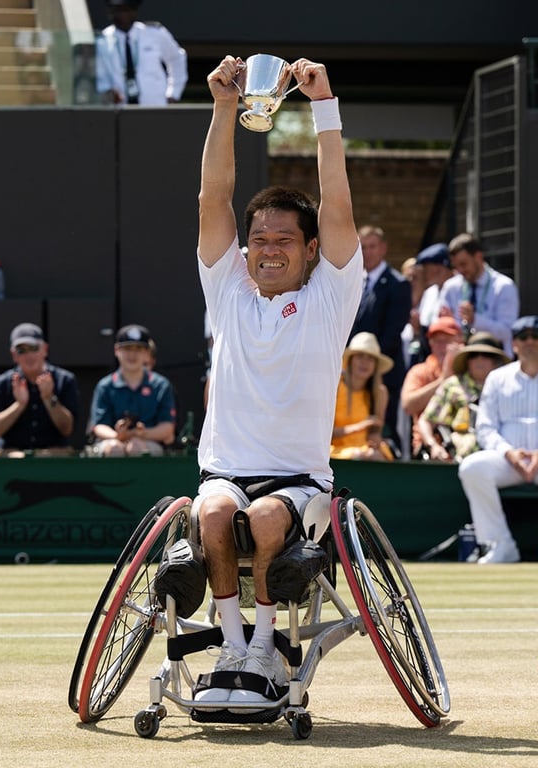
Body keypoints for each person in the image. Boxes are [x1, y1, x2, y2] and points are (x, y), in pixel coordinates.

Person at [193, 56, 361, 710]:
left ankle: (264, 650)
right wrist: (224, 106)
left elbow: (338, 202)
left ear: (311, 249)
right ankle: (231, 643)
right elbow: (213, 197)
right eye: (258, 238)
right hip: (225, 469)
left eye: (284, 240)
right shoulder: (228, 288)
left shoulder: (330, 297)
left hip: (300, 482)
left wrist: (324, 107)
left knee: (264, 519)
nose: (267, 248)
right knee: (211, 512)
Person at [457, 316, 538, 564]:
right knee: (472, 468)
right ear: (514, 344)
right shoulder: (497, 378)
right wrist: (509, 453)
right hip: (508, 461)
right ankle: (500, 544)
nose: (530, 342)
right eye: (523, 337)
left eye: (536, 336)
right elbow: (485, 427)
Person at [349, 225, 409, 442]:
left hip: (384, 373)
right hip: (353, 374)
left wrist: (369, 363)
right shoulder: (354, 282)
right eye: (362, 247)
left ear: (383, 248)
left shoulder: (398, 284)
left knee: (383, 432)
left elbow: (393, 332)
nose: (367, 252)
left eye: (372, 246)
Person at [0, 323, 78, 455]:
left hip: (52, 455)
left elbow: (67, 429)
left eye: (33, 348)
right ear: (14, 355)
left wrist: (49, 398)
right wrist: (19, 405)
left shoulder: (65, 380)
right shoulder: (1, 383)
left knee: (53, 455)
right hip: (12, 455)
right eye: (22, 350)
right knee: (14, 457)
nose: (29, 355)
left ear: (45, 349)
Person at [415, 331, 509, 462]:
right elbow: (426, 420)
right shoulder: (452, 385)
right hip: (458, 458)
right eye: (474, 355)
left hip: (499, 456)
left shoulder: (507, 387)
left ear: (495, 361)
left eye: (486, 355)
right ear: (467, 360)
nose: (479, 359)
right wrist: (433, 446)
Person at [88, 324, 176, 456]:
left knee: (136, 448)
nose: (132, 355)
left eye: (138, 349)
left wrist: (140, 434)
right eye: (127, 348)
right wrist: (118, 435)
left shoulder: (160, 385)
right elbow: (98, 426)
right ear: (116, 351)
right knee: (114, 449)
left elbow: (167, 428)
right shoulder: (105, 385)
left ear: (147, 354)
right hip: (111, 441)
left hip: (148, 442)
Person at [438, 232, 519, 352]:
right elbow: (442, 328)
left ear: (478, 256)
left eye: (463, 264)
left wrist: (475, 320)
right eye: (456, 266)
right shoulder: (451, 287)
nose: (460, 270)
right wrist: (450, 323)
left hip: (495, 359)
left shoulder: (503, 286)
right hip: (461, 359)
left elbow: (507, 333)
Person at [95, 0, 186, 106]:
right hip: (120, 112)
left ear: (135, 11)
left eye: (127, 10)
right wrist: (107, 92)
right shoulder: (101, 41)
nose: (123, 15)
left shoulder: (155, 33)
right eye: (118, 10)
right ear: (110, 12)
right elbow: (99, 77)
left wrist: (173, 93)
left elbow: (177, 58)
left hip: (155, 108)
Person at [401, 316, 464, 458]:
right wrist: (443, 381)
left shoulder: (469, 371)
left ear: (460, 341)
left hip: (465, 443)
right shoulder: (419, 371)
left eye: (448, 341)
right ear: (430, 343)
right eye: (437, 341)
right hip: (428, 448)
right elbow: (408, 405)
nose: (442, 347)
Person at [331, 332, 394, 462]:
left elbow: (375, 431)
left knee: (378, 457)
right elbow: (323, 434)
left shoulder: (379, 392)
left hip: (364, 450)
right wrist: (359, 426)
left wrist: (374, 437)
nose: (365, 363)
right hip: (334, 450)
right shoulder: (334, 387)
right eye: (360, 356)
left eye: (370, 358)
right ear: (350, 361)